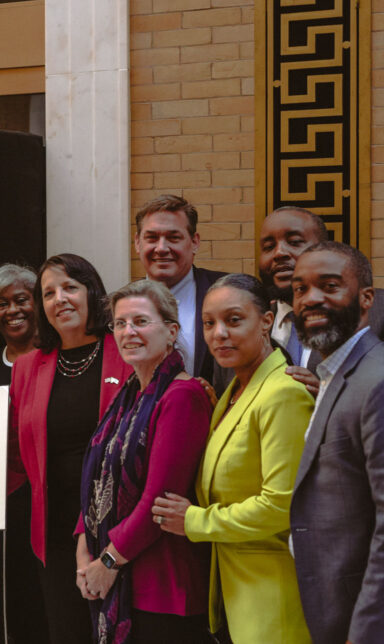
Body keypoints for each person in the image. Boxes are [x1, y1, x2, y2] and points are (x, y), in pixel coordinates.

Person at [151, 274, 313, 643]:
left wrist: (194, 520)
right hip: (231, 588)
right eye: (209, 323)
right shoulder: (231, 392)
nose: (219, 333)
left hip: (272, 592)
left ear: (267, 321)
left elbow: (280, 505)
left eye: (234, 320)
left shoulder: (283, 393)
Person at [77, 279, 210, 643]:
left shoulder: (182, 395)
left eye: (140, 321)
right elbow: (98, 479)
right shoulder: (128, 395)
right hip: (114, 572)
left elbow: (159, 501)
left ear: (171, 331)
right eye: (120, 323)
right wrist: (83, 555)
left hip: (162, 586)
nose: (128, 332)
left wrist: (106, 562)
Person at [8, 254, 131, 643]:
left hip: (118, 530)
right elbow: (11, 452)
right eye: (48, 293)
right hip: (55, 529)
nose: (59, 298)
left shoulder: (126, 351)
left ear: (92, 293)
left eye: (69, 287)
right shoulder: (29, 366)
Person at [289, 242, 384, 644]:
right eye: (300, 288)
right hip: (327, 604)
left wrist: (365, 631)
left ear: (365, 299)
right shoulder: (332, 372)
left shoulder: (376, 381)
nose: (311, 299)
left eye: (329, 286)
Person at [0, 263, 47, 644]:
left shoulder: (57, 357)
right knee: (13, 606)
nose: (13, 310)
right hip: (0, 508)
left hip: (49, 502)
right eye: (1, 303)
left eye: (22, 299)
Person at [256, 206, 384, 389]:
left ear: (325, 248)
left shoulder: (376, 311)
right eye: (269, 247)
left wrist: (327, 398)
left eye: (294, 241)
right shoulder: (253, 325)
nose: (279, 253)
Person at [134, 194, 227, 382]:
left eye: (173, 237)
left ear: (194, 242)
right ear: (137, 243)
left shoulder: (228, 293)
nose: (161, 248)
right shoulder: (118, 306)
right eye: (151, 238)